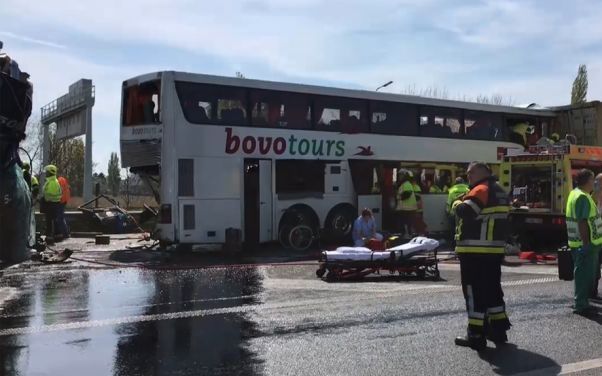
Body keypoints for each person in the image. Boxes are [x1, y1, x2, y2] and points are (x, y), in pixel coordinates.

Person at [454, 162, 511, 351]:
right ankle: (498, 331)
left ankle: (476, 335)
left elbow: (466, 211)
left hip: (475, 253)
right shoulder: (499, 190)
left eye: (471, 173)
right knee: (493, 291)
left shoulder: (481, 189)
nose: (468, 177)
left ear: (482, 172)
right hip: (493, 252)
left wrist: (457, 202)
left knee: (474, 293)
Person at [566, 169, 602, 316]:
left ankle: (583, 302)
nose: (594, 183)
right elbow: (582, 222)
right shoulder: (582, 197)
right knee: (583, 275)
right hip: (586, 244)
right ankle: (581, 304)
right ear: (587, 181)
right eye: (593, 180)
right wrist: (586, 244)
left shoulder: (576, 193)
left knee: (585, 274)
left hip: (580, 243)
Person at [395, 169, 417, 238]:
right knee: (406, 223)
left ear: (405, 176)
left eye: (401, 175)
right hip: (405, 208)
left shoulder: (407, 184)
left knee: (407, 223)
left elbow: (407, 194)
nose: (400, 177)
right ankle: (407, 234)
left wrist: (399, 197)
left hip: (408, 208)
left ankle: (407, 235)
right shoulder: (404, 184)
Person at [42, 165, 62, 238]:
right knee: (54, 220)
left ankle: (50, 236)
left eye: (47, 172)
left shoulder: (52, 182)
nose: (46, 173)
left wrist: (44, 199)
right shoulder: (52, 181)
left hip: (51, 203)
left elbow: (49, 194)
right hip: (53, 203)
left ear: (50, 172)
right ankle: (57, 235)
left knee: (49, 221)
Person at [447, 177, 470, 242]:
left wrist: (448, 212)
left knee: (454, 228)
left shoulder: (451, 190)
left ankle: (454, 242)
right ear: (463, 182)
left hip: (454, 212)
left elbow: (449, 203)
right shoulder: (468, 189)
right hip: (465, 211)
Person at [593, 173, 602, 300]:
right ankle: (592, 291)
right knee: (594, 267)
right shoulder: (593, 198)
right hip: (596, 240)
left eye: (598, 183)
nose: (596, 185)